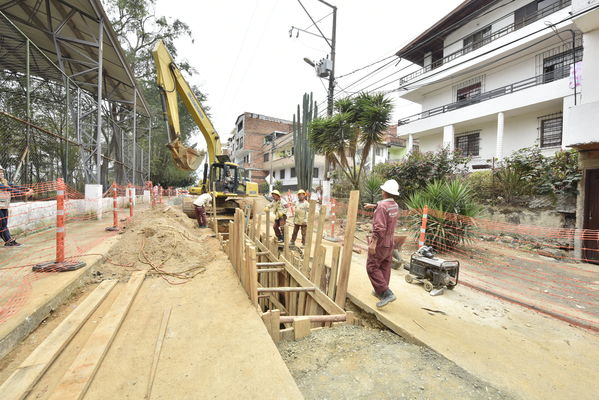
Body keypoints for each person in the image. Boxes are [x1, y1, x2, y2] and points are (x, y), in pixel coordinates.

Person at [364, 179, 400, 308]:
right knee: (385, 265)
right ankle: (381, 290)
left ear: (384, 191)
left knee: (372, 266)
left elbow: (379, 228)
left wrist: (373, 243)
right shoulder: (394, 205)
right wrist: (373, 206)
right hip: (390, 241)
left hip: (380, 241)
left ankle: (385, 293)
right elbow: (384, 208)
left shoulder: (382, 207)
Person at [0, 166, 33, 247]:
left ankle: (9, 240)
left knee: (3, 224)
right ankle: (9, 241)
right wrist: (23, 193)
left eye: (1, 172)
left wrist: (27, 189)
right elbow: (8, 189)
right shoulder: (2, 185)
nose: (1, 174)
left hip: (4, 206)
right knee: (2, 224)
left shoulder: (5, 182)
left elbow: (14, 186)